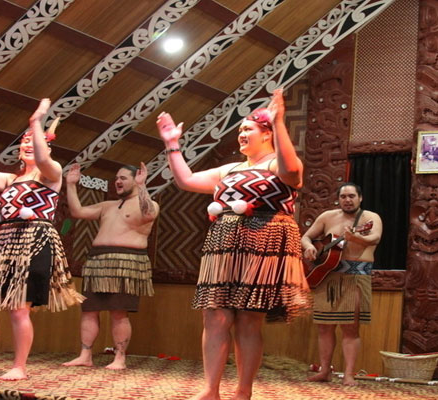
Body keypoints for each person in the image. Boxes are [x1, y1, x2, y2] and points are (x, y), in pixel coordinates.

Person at [156, 88, 312, 400]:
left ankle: (243, 391)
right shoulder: (230, 169)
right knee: (214, 315)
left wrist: (279, 121)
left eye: (248, 128)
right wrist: (172, 145)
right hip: (225, 243)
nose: (241, 134)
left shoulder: (276, 164)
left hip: (264, 241)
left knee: (247, 318)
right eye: (239, 129)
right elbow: (186, 181)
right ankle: (210, 389)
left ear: (266, 134)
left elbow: (293, 172)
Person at [0, 99, 84, 380]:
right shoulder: (10, 180)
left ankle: (19, 367)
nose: (28, 145)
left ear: (45, 147)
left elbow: (43, 157)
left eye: (33, 142)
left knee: (18, 309)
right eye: (23, 142)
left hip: (35, 241)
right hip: (5, 244)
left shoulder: (51, 174)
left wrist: (36, 123)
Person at [62, 162, 159, 370]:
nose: (118, 181)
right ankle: (85, 355)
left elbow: (149, 214)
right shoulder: (107, 206)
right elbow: (78, 211)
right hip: (97, 261)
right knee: (89, 310)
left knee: (118, 312)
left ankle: (119, 358)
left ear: (136, 180)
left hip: (126, 262)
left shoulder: (148, 204)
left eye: (123, 178)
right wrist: (70, 184)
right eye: (116, 178)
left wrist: (142, 186)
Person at [301, 183, 382, 386]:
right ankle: (324, 371)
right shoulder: (327, 217)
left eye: (351, 196)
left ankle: (348, 374)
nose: (347, 200)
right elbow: (306, 236)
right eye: (343, 196)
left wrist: (356, 237)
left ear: (360, 198)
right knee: (324, 327)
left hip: (356, 277)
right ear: (338, 199)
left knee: (350, 328)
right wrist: (309, 246)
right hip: (327, 276)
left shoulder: (370, 218)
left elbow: (375, 237)